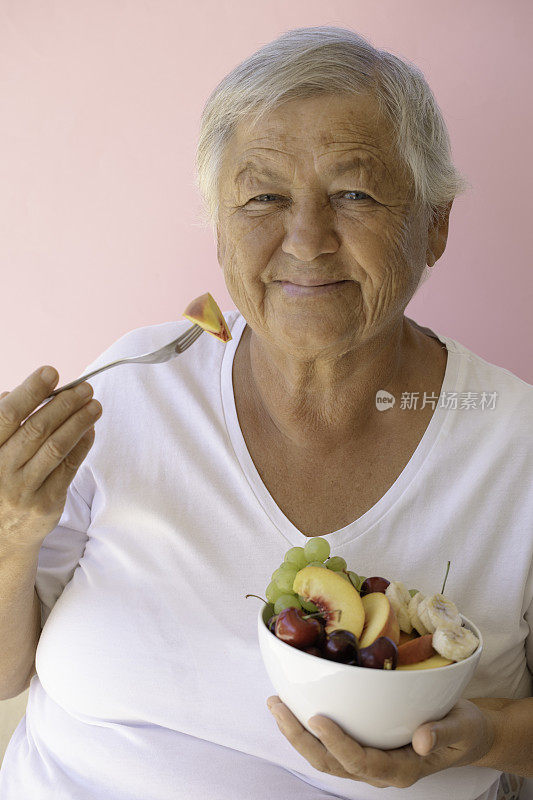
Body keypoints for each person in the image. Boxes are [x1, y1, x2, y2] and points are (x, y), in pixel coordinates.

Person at [0, 24, 531, 800]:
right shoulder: (133, 385)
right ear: (220, 226)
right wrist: (10, 534)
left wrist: (479, 737)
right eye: (262, 197)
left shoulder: (513, 443)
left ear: (436, 224)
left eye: (353, 193)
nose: (307, 241)